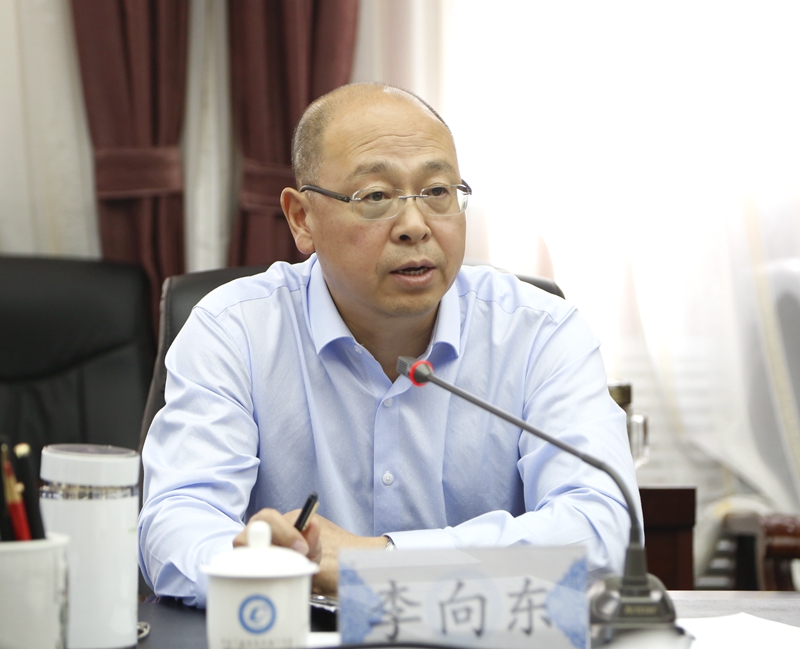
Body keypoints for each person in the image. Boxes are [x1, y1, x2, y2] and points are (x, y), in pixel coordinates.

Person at [138, 82, 640, 607]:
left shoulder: (540, 333)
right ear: (302, 219)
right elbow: (177, 523)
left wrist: (376, 562)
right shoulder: (235, 330)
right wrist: (257, 564)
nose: (415, 226)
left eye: (438, 192)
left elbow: (603, 528)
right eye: (376, 197)